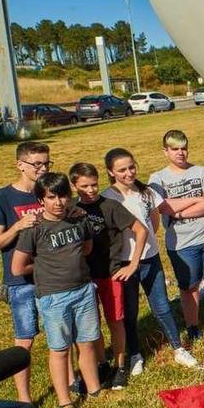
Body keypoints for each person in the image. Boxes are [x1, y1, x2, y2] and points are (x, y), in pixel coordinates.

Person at [11, 173, 102, 408]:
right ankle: (65, 403)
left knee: (87, 342)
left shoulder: (78, 220)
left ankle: (94, 390)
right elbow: (17, 268)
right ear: (41, 200)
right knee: (60, 350)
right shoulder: (34, 229)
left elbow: (86, 247)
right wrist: (43, 265)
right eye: (51, 197)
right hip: (53, 298)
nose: (58, 202)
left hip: (83, 290)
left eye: (63, 196)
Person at [102, 148, 198, 375]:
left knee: (162, 306)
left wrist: (146, 245)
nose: (128, 173)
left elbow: (153, 222)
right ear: (111, 172)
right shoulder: (107, 197)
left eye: (131, 167)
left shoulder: (147, 192)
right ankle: (135, 354)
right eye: (122, 170)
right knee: (130, 311)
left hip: (150, 259)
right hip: (124, 264)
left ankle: (178, 348)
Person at [70, 162, 148, 390]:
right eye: (85, 186)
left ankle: (120, 365)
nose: (92, 190)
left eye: (94, 184)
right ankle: (102, 363)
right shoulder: (71, 209)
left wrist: (133, 264)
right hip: (83, 278)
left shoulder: (111, 206)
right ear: (75, 185)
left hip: (110, 274)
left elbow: (141, 230)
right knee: (90, 325)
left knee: (115, 321)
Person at [148, 130, 204, 341]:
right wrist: (196, 199)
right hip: (182, 243)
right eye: (175, 149)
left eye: (184, 148)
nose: (180, 153)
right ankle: (193, 325)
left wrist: (179, 211)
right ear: (165, 151)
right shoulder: (157, 178)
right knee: (189, 286)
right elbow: (163, 207)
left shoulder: (202, 171)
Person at [0, 141, 50, 402]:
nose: (43, 168)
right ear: (20, 165)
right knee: (25, 340)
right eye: (37, 164)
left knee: (61, 334)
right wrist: (19, 226)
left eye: (47, 163)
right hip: (20, 281)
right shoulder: (2, 197)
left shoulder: (48, 192)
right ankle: (24, 399)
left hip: (50, 277)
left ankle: (70, 382)